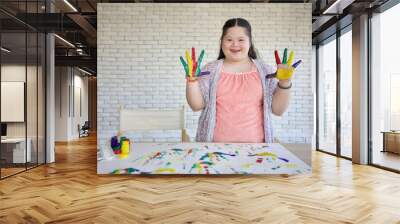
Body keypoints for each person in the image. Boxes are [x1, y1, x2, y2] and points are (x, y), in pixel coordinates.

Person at [180, 18, 301, 143]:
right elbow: (196, 106)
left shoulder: (265, 71)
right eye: (229, 39)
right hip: (214, 150)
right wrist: (192, 81)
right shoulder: (210, 70)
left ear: (250, 42)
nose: (235, 44)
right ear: (221, 42)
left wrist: (285, 82)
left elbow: (278, 110)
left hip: (257, 149)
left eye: (241, 39)